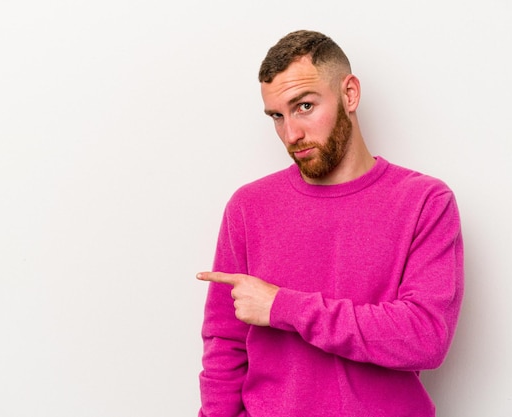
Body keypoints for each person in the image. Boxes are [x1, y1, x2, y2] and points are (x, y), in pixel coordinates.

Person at [196, 30, 464, 417]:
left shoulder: (424, 202)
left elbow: (425, 336)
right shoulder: (249, 207)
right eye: (277, 116)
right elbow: (224, 343)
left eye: (303, 106)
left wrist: (282, 306)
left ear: (349, 94)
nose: (291, 134)